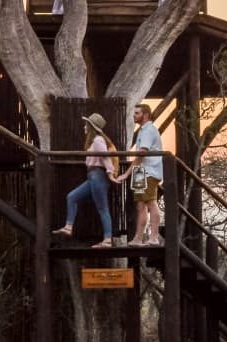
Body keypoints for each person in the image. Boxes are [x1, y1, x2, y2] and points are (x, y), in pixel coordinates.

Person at [54, 113, 121, 248]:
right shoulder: (96, 141)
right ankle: (68, 227)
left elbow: (105, 157)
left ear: (91, 127)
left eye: (86, 125)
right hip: (92, 177)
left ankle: (107, 240)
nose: (84, 127)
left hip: (98, 176)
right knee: (72, 197)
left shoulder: (98, 140)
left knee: (102, 208)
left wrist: (110, 173)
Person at [121, 103, 164, 246]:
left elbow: (141, 154)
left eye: (137, 113)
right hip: (141, 172)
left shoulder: (149, 130)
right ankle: (139, 238)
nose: (134, 115)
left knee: (151, 202)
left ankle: (154, 237)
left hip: (149, 171)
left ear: (145, 115)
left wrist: (126, 174)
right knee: (140, 205)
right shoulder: (142, 130)